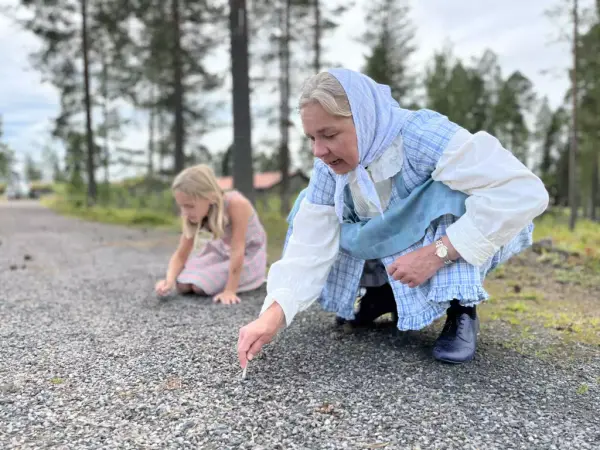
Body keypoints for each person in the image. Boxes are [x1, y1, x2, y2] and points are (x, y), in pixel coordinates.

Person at [237, 68, 549, 366]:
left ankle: (461, 309)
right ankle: (382, 292)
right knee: (310, 209)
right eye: (311, 138)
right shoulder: (327, 166)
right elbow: (310, 243)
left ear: (364, 119)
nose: (318, 151)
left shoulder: (422, 135)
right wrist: (271, 317)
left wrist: (438, 252)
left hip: (435, 238)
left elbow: (522, 190)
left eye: (329, 134)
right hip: (389, 233)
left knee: (454, 195)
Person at [155, 164, 267, 304]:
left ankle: (245, 279)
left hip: (246, 256)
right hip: (221, 252)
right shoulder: (192, 212)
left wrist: (229, 290)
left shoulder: (237, 204)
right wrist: (169, 281)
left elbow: (238, 248)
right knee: (182, 285)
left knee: (199, 287)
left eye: (189, 206)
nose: (185, 212)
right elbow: (181, 254)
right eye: (182, 206)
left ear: (211, 197)